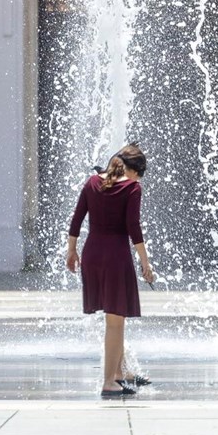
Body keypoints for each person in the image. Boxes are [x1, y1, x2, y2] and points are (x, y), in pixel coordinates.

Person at [66, 144, 156, 397]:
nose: (140, 179)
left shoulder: (92, 182)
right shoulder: (132, 187)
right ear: (132, 170)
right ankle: (108, 381)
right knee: (115, 322)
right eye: (140, 173)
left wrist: (71, 251)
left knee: (113, 319)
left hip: (92, 254)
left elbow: (76, 219)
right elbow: (133, 227)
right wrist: (145, 263)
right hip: (116, 256)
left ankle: (119, 373)